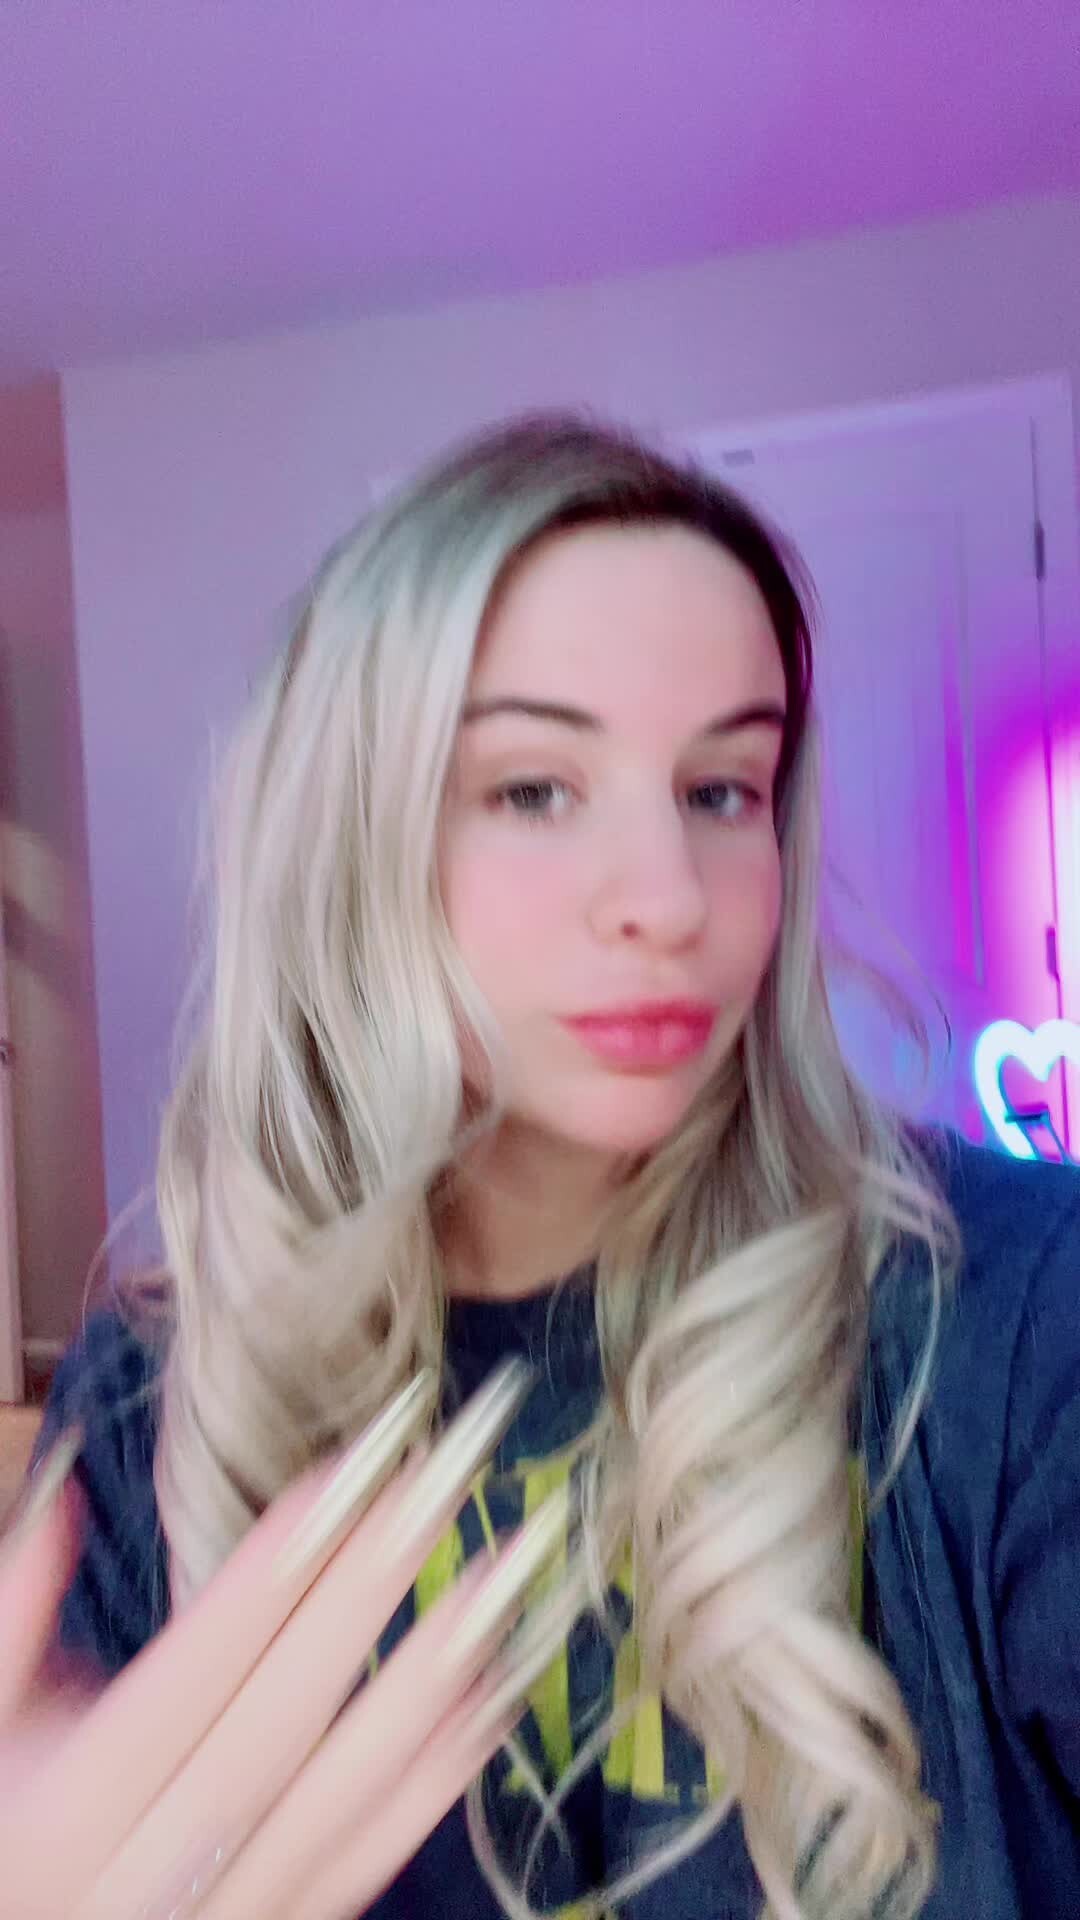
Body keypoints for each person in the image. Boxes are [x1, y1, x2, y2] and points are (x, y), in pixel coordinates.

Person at [1, 415, 1077, 1920]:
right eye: (532, 789)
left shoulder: (1018, 1314)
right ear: (348, 839)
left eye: (722, 790)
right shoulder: (158, 1397)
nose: (669, 899)